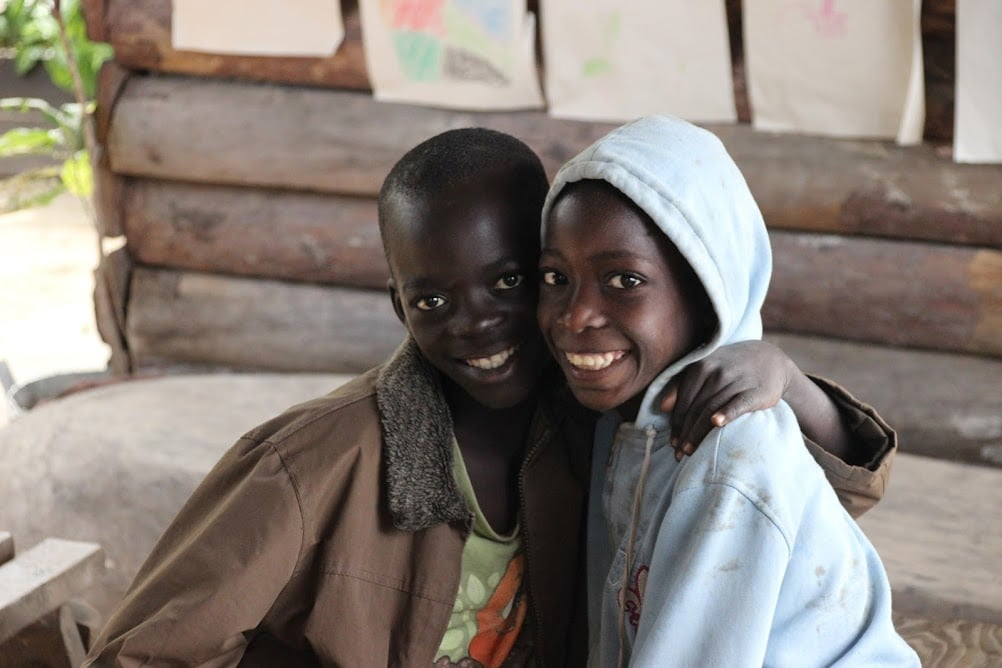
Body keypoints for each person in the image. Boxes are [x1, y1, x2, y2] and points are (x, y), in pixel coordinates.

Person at [85, 127, 897, 666]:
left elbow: (794, 513)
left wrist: (784, 380)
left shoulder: (598, 420)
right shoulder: (312, 465)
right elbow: (145, 651)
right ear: (399, 306)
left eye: (512, 281)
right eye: (433, 300)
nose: (477, 325)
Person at [536, 115, 918, 666]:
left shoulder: (726, 459)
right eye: (555, 277)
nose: (576, 315)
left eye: (625, 280)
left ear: (707, 291)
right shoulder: (614, 417)